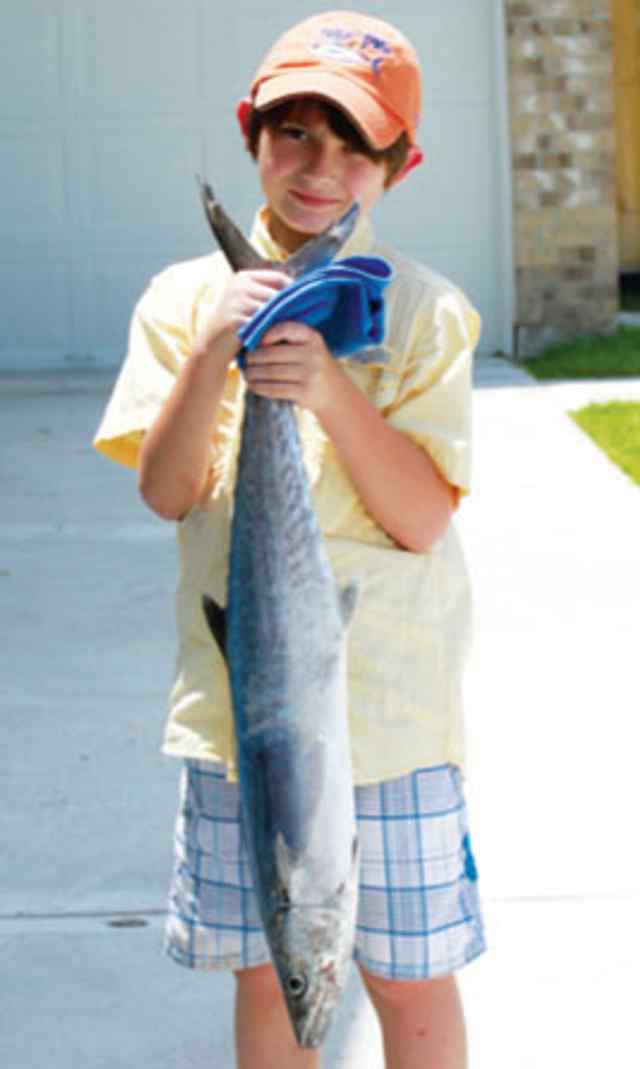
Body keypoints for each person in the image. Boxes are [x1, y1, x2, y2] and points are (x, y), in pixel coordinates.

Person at [94, 10, 485, 1068]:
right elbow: (168, 494)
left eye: (355, 144)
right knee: (270, 974)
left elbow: (420, 517)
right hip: (242, 725)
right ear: (251, 135)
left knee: (408, 977)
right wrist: (221, 344)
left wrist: (325, 391)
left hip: (392, 722)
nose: (320, 167)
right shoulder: (184, 301)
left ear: (399, 166)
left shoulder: (422, 312)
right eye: (295, 135)